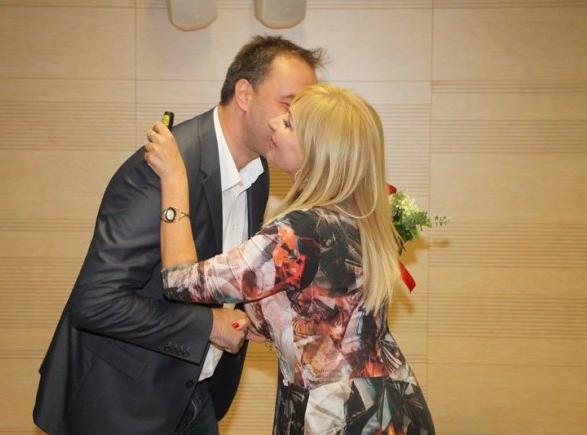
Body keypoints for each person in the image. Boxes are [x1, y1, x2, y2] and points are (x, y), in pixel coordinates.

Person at [33, 35, 324, 435]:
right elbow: (96, 302)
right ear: (244, 94)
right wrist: (209, 326)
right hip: (121, 404)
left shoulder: (258, 174)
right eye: (289, 104)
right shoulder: (161, 169)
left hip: (195, 396)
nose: (298, 122)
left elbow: (221, 280)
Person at [144, 83, 436, 434]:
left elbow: (179, 280)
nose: (274, 123)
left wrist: (174, 179)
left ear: (318, 151)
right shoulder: (358, 217)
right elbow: (324, 318)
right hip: (392, 407)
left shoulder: (300, 234)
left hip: (338, 417)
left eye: (289, 123)